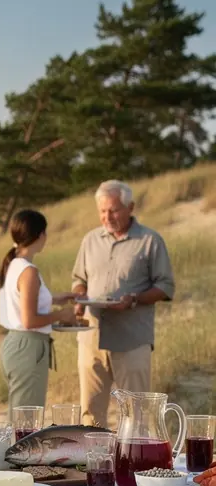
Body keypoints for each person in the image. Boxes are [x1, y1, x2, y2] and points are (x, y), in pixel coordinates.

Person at [72, 180, 176, 427]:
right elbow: (78, 279)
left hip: (132, 341)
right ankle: (92, 465)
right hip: (91, 339)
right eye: (102, 211)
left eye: (114, 210)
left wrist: (134, 300)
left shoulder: (150, 240)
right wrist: (79, 298)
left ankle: (132, 466)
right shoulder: (90, 240)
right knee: (89, 416)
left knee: (135, 415)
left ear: (131, 207)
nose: (107, 216)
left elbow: (165, 286)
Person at [0, 209, 77, 412]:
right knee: (26, 421)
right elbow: (29, 320)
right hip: (28, 347)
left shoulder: (13, 263)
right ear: (40, 235)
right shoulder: (29, 271)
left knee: (21, 416)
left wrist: (60, 297)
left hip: (16, 344)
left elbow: (23, 300)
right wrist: (62, 314)